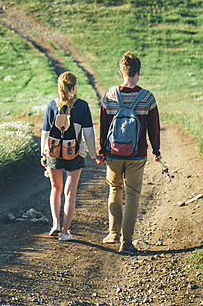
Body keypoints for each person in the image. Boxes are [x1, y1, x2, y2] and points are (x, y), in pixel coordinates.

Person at [96, 51, 161, 254]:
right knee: (132, 196)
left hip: (113, 154)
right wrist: (156, 151)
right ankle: (127, 241)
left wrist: (101, 150)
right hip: (137, 155)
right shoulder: (147, 98)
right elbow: (154, 128)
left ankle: (113, 233)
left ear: (121, 71)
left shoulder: (110, 95)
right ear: (139, 72)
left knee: (114, 190)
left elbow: (104, 126)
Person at [41, 71, 97, 241]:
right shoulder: (82, 106)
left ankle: (55, 223)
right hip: (75, 154)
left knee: (55, 189)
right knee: (70, 192)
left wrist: (43, 155)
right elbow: (88, 135)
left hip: (53, 153)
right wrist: (94, 155)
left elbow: (44, 134)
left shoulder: (52, 105)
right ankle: (65, 232)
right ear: (74, 87)